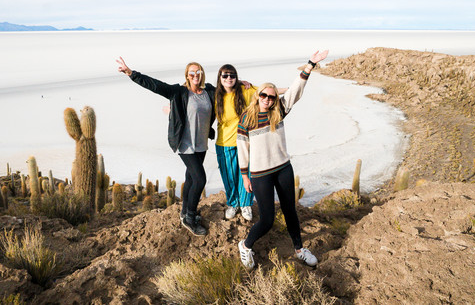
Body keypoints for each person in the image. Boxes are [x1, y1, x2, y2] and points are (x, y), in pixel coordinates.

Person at [236, 50, 328, 269]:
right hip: (260, 174)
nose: (267, 100)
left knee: (290, 210)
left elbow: (295, 90)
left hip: (283, 168)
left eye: (271, 96)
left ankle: (299, 249)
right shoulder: (246, 119)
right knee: (267, 219)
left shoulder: (279, 110)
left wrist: (310, 65)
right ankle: (246, 245)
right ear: (257, 96)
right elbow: (242, 148)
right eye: (263, 96)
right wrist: (244, 176)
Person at [116, 57, 214, 236]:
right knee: (200, 179)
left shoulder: (209, 91)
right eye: (192, 73)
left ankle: (185, 212)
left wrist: (243, 83)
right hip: (185, 144)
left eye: (198, 72)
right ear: (187, 75)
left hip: (201, 143)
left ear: (202, 74)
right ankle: (190, 218)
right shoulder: (179, 91)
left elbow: (227, 89)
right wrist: (131, 73)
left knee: (191, 178)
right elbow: (155, 85)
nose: (195, 75)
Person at [214, 64, 257, 221]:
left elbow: (266, 91)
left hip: (245, 142)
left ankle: (246, 204)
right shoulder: (215, 95)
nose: (229, 78)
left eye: (232, 75)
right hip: (224, 143)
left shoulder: (245, 91)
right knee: (229, 177)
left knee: (247, 175)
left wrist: (292, 88)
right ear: (220, 78)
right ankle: (233, 203)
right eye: (225, 75)